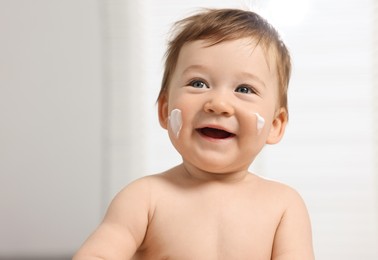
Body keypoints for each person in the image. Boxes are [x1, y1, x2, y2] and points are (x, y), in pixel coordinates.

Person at [73, 8, 314, 260]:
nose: (218, 103)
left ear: (275, 125)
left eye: (244, 88)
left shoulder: (283, 206)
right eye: (198, 83)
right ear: (166, 111)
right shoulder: (144, 198)